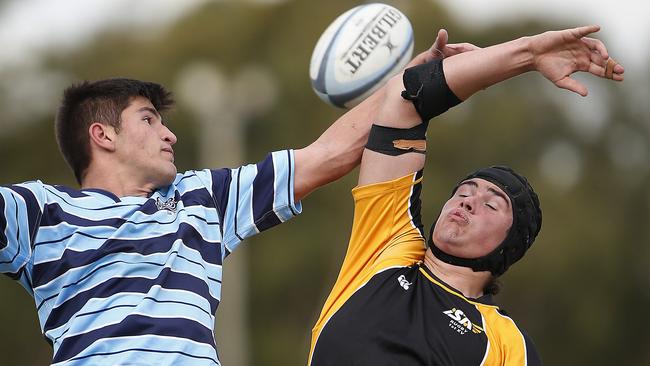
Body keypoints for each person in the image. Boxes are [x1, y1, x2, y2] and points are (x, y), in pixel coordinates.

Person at [0, 25, 477, 365]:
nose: (170, 136)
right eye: (149, 119)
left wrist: (412, 84)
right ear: (103, 136)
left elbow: (330, 153)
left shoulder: (200, 199)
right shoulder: (42, 212)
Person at [308, 25, 623, 365]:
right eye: (463, 192)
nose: (467, 201)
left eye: (491, 203)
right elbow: (406, 98)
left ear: (511, 245)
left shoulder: (507, 344)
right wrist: (529, 54)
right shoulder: (385, 248)